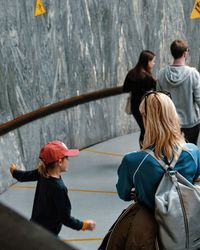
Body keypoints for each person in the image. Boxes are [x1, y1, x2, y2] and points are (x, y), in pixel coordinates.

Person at [110, 91, 200, 249]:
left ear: (146, 119)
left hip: (149, 225)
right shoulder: (192, 152)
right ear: (173, 116)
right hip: (187, 220)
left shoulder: (133, 161)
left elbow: (123, 193)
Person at [10, 140, 96, 235]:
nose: (69, 160)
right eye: (66, 157)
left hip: (34, 228)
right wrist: (83, 225)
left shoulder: (42, 173)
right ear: (60, 162)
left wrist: (14, 172)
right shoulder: (59, 189)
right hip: (48, 236)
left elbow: (25, 176)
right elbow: (65, 218)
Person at [157, 39, 200, 145]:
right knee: (190, 153)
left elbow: (158, 100)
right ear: (185, 53)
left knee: (171, 154)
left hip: (169, 122)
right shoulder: (193, 74)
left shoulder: (162, 74)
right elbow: (199, 99)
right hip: (191, 122)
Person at [123, 50, 156, 148]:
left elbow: (125, 89)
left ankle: (143, 150)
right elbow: (156, 90)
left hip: (134, 107)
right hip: (146, 107)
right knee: (148, 129)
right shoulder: (148, 77)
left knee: (144, 129)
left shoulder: (131, 73)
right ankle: (148, 151)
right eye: (153, 61)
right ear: (147, 61)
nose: (154, 63)